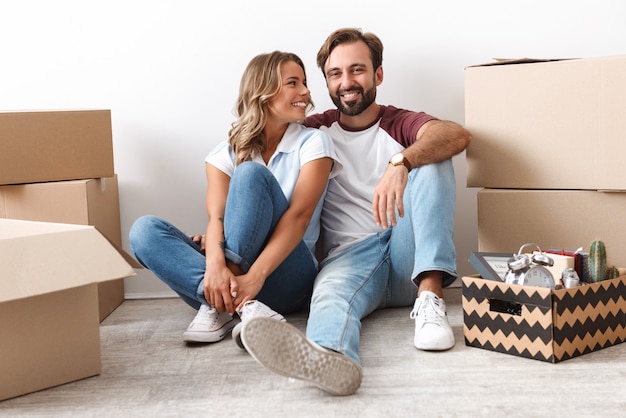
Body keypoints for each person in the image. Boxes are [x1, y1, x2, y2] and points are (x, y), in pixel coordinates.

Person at [239, 28, 471, 395]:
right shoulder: (314, 132)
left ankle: (431, 298)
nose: (347, 82)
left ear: (378, 74)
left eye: (358, 70)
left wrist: (402, 161)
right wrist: (220, 225)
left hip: (404, 253)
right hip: (346, 259)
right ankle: (329, 358)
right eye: (335, 74)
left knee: (434, 159)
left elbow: (456, 135)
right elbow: (259, 149)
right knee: (327, 298)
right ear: (328, 82)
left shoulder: (399, 123)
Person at [129, 51, 340, 346]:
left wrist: (253, 277)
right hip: (233, 280)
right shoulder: (223, 155)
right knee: (143, 230)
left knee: (251, 175)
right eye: (293, 83)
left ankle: (216, 303)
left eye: (304, 83)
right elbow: (216, 218)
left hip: (289, 277)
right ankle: (239, 306)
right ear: (263, 92)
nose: (306, 91)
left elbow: (299, 218)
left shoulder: (314, 142)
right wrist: (215, 266)